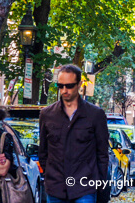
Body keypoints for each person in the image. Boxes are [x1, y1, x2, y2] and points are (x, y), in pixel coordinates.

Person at [39, 64, 109, 203]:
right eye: (60, 86)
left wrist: (99, 183)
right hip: (55, 187)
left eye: (69, 86)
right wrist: (49, 175)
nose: (64, 90)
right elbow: (43, 151)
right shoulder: (47, 114)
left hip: (85, 187)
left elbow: (102, 152)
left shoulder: (95, 115)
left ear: (79, 84)